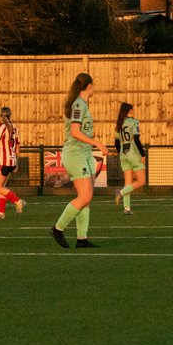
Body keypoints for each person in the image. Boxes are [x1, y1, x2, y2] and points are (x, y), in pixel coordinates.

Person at [51, 72, 101, 249]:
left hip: (84, 153)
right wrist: (98, 144)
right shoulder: (78, 105)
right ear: (88, 86)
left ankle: (82, 238)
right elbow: (75, 131)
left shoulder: (82, 104)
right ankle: (58, 228)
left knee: (86, 197)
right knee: (85, 195)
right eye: (93, 85)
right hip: (75, 153)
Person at [0, 106, 26, 218]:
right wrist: (16, 162)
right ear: (10, 115)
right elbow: (18, 148)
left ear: (1, 115)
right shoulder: (15, 128)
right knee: (2, 186)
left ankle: (18, 201)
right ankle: (1, 212)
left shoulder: (1, 127)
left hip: (3, 161)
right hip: (12, 160)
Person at [114, 103, 148, 214]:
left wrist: (121, 154)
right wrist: (143, 154)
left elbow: (117, 143)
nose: (134, 110)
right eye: (132, 108)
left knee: (128, 182)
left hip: (124, 155)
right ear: (129, 110)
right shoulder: (134, 122)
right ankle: (121, 192)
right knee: (141, 181)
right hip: (133, 154)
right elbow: (137, 139)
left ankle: (127, 208)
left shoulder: (119, 124)